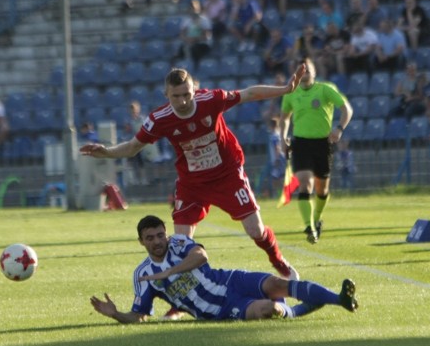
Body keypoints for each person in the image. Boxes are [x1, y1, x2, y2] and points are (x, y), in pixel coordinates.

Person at [81, 64, 307, 281]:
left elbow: (248, 94)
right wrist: (107, 152)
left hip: (228, 175)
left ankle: (279, 262)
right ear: (166, 95)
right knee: (180, 244)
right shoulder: (160, 119)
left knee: (255, 230)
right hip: (193, 185)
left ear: (194, 90)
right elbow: (132, 147)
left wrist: (285, 89)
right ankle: (181, 301)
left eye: (187, 94)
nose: (182, 101)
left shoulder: (211, 100)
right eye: (176, 96)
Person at [89, 215, 358, 323]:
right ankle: (298, 310)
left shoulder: (179, 242)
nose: (158, 241)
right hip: (217, 310)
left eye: (160, 235)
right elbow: (140, 316)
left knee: (277, 284)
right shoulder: (143, 275)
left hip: (230, 280)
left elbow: (201, 257)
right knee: (269, 309)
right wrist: (115, 315)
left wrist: (168, 273)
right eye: (151, 238)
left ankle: (339, 299)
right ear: (141, 242)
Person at [280, 57, 353, 244]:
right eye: (301, 69)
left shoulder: (325, 89)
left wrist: (339, 128)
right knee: (305, 183)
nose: (304, 72)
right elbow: (285, 117)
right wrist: (282, 138)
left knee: (322, 188)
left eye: (307, 69)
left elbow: (346, 109)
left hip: (322, 143)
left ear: (314, 71)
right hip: (301, 143)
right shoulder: (290, 93)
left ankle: (317, 218)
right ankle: (309, 225)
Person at [173, 0, 213, 72]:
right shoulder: (187, 20)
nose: (193, 10)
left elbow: (207, 35)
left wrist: (196, 39)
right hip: (190, 43)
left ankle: (196, 69)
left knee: (195, 50)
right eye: (191, 7)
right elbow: (182, 34)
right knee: (180, 51)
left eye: (194, 7)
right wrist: (187, 39)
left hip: (201, 44)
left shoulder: (204, 20)